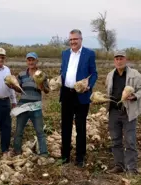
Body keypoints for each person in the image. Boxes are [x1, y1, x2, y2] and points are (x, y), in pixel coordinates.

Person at [59, 29, 98, 167]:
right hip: (66, 94)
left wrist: (89, 85)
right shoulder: (65, 53)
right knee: (66, 126)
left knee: (80, 126)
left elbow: (94, 73)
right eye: (70, 40)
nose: (72, 42)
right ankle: (65, 156)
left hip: (81, 94)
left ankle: (80, 157)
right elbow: (62, 71)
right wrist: (58, 80)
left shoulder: (89, 54)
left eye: (75, 39)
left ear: (81, 39)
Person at [105, 50, 141, 175]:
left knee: (130, 140)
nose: (119, 61)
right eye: (116, 58)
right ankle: (119, 165)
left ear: (125, 60)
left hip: (128, 112)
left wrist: (134, 97)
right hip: (114, 112)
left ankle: (132, 168)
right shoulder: (110, 75)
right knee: (115, 140)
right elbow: (108, 92)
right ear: (114, 60)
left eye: (121, 58)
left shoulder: (135, 74)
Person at [8, 52, 50, 157]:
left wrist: (41, 85)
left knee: (39, 131)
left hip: (36, 107)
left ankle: (44, 152)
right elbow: (18, 88)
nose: (31, 62)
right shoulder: (22, 75)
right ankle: (17, 151)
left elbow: (47, 90)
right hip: (23, 107)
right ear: (27, 61)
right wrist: (12, 86)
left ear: (37, 61)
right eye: (29, 60)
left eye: (33, 60)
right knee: (18, 131)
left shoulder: (42, 75)